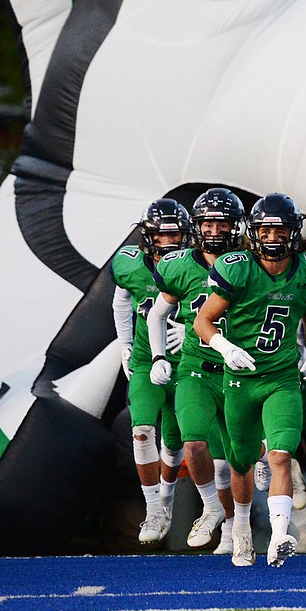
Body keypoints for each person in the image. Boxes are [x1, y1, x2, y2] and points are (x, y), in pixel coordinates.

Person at [194, 193, 306, 567]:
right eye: (266, 229)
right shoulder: (237, 268)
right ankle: (240, 529)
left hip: (282, 378)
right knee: (240, 464)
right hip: (240, 380)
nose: (272, 236)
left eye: (280, 229)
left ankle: (278, 535)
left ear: (293, 232)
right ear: (254, 232)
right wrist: (224, 348)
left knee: (281, 456)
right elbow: (201, 321)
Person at [146, 188, 245, 554]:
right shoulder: (180, 265)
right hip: (196, 368)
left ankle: (243, 523)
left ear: (236, 227)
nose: (215, 230)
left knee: (242, 456)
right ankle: (211, 506)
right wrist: (158, 357)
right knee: (193, 442)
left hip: (242, 371)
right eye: (208, 223)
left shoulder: (250, 262)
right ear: (197, 226)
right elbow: (156, 314)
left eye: (222, 223)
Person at [111, 198, 190, 544]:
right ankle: (153, 509)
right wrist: (125, 344)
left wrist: (195, 329)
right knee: (142, 430)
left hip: (189, 362)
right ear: (148, 237)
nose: (169, 242)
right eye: (162, 235)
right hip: (146, 361)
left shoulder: (198, 264)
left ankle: (168, 502)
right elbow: (121, 302)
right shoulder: (130, 266)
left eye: (175, 235)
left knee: (176, 442)